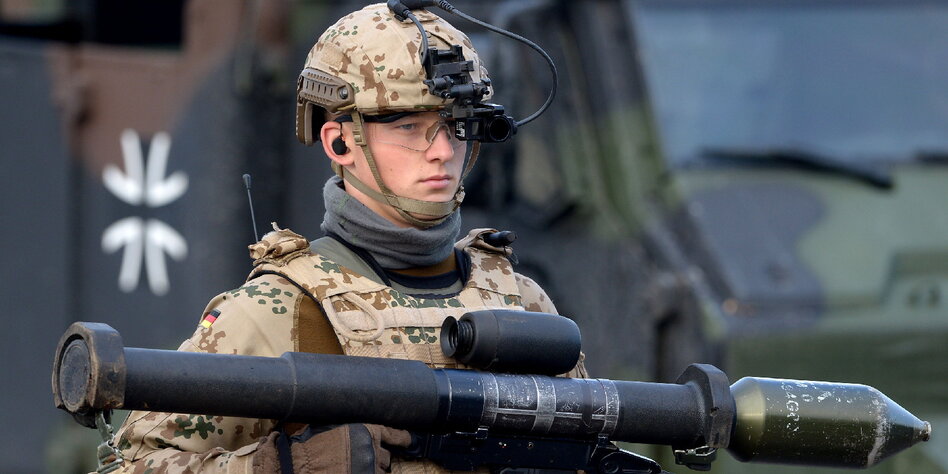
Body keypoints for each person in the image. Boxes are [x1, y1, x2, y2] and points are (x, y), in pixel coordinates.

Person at [112, 3, 585, 473]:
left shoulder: (521, 303)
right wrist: (279, 466)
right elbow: (130, 466)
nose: (442, 151)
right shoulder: (276, 312)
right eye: (409, 127)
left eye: (456, 125)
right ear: (339, 142)